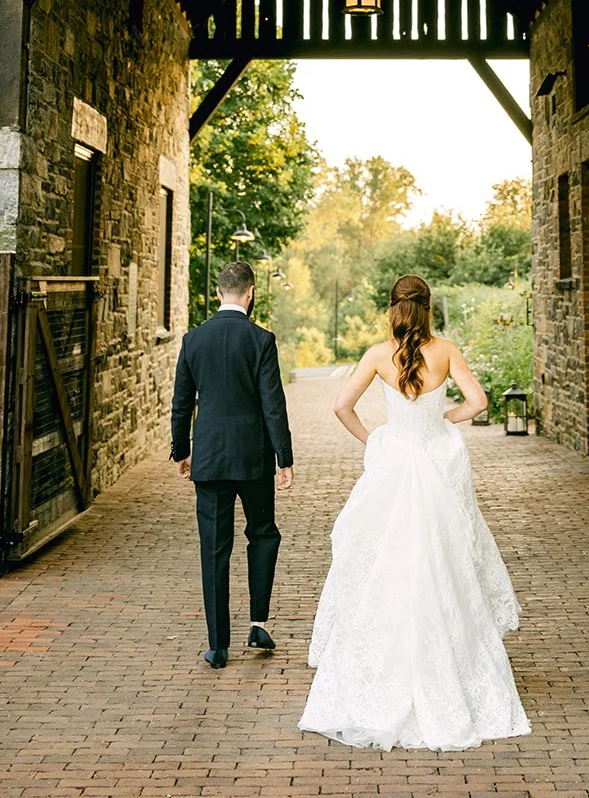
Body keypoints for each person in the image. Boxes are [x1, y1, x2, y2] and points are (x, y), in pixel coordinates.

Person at [299, 274, 530, 751]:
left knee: (383, 563)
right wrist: (446, 418)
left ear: (393, 308)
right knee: (442, 564)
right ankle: (444, 662)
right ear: (427, 308)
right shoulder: (445, 350)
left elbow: (343, 407)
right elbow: (480, 402)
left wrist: (376, 442)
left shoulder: (377, 355)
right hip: (434, 467)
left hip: (394, 468)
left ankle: (386, 664)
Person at [171, 260, 294, 669]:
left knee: (214, 549)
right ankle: (258, 623)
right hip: (254, 459)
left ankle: (218, 646)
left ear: (220, 293)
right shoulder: (261, 339)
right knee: (262, 534)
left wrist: (181, 451)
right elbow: (273, 405)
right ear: (251, 292)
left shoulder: (193, 340)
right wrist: (284, 458)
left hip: (208, 459)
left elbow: (181, 404)